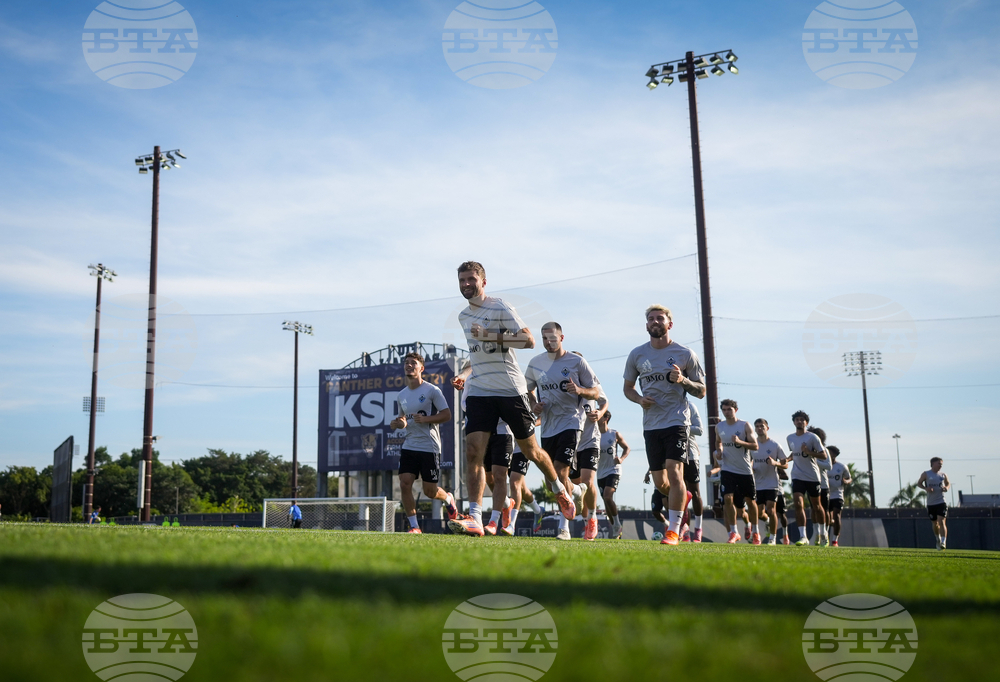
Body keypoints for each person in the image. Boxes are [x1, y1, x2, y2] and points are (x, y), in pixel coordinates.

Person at [449, 262, 575, 537]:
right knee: (473, 452)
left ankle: (558, 489)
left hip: (510, 389)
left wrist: (491, 335)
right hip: (481, 390)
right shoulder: (463, 316)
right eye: (462, 280)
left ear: (483, 281)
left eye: (471, 279)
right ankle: (475, 518)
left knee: (531, 451)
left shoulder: (500, 307)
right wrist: (465, 372)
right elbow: (477, 354)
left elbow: (529, 341)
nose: (466, 284)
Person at [623, 305, 706, 546]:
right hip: (651, 425)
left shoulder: (685, 353)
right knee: (661, 484)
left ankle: (673, 530)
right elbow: (628, 388)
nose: (655, 321)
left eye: (660, 318)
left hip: (677, 420)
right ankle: (683, 497)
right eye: (651, 319)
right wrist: (639, 399)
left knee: (674, 469)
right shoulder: (637, 354)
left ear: (670, 324)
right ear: (646, 325)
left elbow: (701, 391)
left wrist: (682, 380)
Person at [524, 323, 602, 541]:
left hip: (572, 422)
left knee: (561, 471)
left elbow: (596, 391)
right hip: (548, 426)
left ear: (562, 338)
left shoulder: (577, 362)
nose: (549, 342)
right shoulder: (536, 363)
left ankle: (564, 529)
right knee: (552, 481)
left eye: (552, 338)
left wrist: (579, 390)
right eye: (544, 339)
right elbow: (526, 388)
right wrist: (533, 403)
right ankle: (577, 492)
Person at [390, 352, 458, 534]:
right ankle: (414, 526)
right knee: (405, 483)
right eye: (406, 363)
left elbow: (447, 415)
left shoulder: (432, 391)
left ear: (422, 368)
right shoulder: (401, 395)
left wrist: (427, 419)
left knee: (430, 491)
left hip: (429, 446)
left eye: (413, 363)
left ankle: (448, 499)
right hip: (409, 444)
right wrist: (398, 423)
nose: (409, 365)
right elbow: (404, 419)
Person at [571, 351, 609, 541]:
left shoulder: (592, 384)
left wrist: (600, 414)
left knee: (588, 482)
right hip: (570, 440)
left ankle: (593, 518)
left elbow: (604, 401)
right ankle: (586, 522)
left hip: (590, 439)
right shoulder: (564, 386)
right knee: (577, 486)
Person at [715, 399, 760, 544]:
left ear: (736, 410)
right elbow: (718, 441)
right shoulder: (719, 426)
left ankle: (756, 532)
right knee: (728, 499)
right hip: (728, 469)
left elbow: (755, 446)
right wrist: (720, 451)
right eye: (724, 410)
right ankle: (734, 532)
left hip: (745, 470)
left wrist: (740, 442)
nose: (727, 412)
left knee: (750, 501)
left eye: (729, 409)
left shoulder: (744, 425)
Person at [786, 411, 828, 546]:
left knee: (816, 506)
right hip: (797, 475)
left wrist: (809, 452)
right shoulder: (790, 438)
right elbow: (794, 453)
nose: (799, 422)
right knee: (798, 504)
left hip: (812, 476)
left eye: (802, 420)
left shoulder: (813, 437)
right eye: (797, 420)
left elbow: (823, 456)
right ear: (794, 422)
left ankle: (823, 534)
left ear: (806, 422)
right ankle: (803, 536)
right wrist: (786, 459)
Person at [751, 418, 787, 545]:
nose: (760, 428)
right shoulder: (753, 444)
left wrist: (775, 463)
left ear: (767, 428)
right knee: (759, 513)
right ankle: (767, 522)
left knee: (771, 510)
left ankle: (772, 538)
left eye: (762, 426)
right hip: (758, 483)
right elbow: (748, 460)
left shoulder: (775, 445)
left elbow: (785, 464)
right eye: (757, 426)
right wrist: (750, 467)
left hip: (772, 483)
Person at [597, 410, 630, 539]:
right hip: (600, 473)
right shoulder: (593, 435)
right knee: (606, 502)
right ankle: (616, 531)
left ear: (605, 418)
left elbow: (627, 448)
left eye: (599, 415)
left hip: (613, 470)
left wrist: (621, 459)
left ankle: (617, 525)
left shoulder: (614, 433)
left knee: (607, 496)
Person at [682, 400, 705, 542]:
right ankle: (684, 529)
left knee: (694, 492)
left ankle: (698, 528)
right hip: (673, 454)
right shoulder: (665, 402)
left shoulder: (690, 405)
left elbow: (700, 430)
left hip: (690, 454)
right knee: (680, 493)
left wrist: (683, 427)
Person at [917, 457, 950, 550]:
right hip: (931, 503)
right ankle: (938, 538)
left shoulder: (943, 475)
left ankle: (943, 542)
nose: (940, 465)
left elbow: (948, 483)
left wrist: (946, 488)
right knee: (935, 523)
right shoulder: (926, 474)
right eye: (939, 463)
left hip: (941, 501)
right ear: (933, 464)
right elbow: (919, 483)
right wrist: (926, 488)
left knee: (942, 521)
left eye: (941, 464)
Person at [810, 426, 832, 546]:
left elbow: (829, 466)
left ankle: (825, 534)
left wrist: (813, 459)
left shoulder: (824, 450)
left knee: (824, 510)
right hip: (811, 481)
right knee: (813, 509)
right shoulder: (807, 450)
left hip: (823, 484)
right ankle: (816, 534)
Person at [826, 446, 851, 547]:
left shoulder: (841, 466)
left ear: (835, 455)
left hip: (838, 494)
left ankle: (834, 540)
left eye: (830, 453)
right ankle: (825, 536)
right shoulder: (823, 465)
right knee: (826, 517)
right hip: (826, 494)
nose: (828, 454)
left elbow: (849, 478)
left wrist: (846, 481)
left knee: (837, 516)